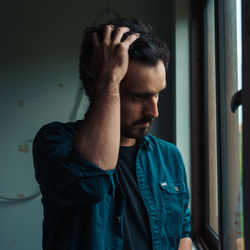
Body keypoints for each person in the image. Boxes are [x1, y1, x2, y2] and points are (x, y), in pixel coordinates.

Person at [33, 18, 192, 250]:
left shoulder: (169, 156)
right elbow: (89, 183)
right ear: (95, 85)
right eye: (138, 97)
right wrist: (108, 77)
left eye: (157, 94)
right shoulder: (53, 141)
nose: (154, 112)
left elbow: (182, 234)